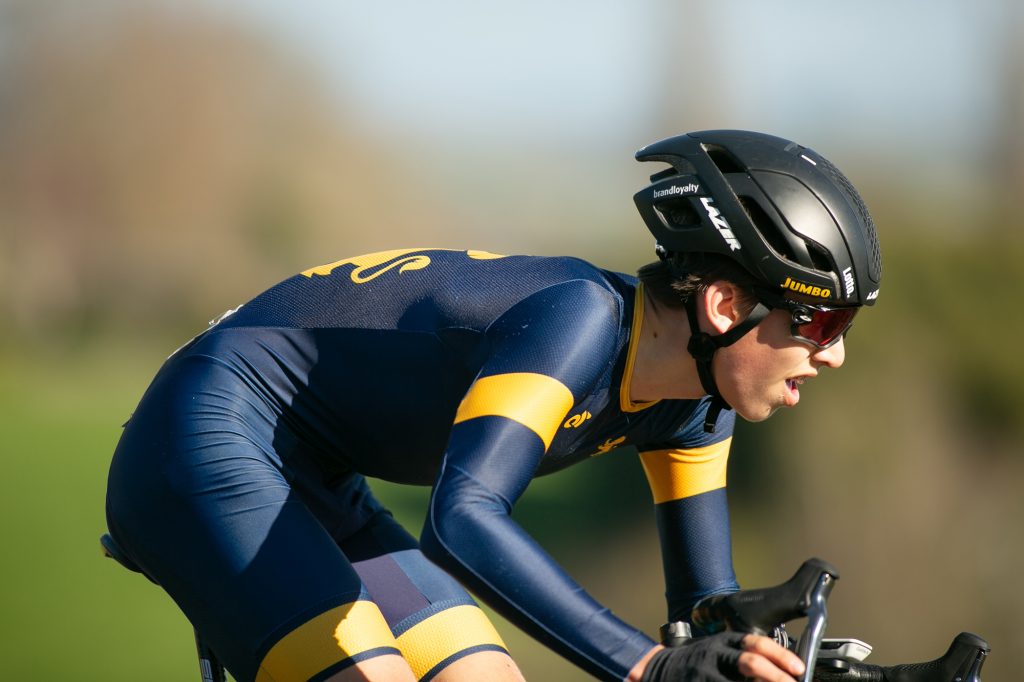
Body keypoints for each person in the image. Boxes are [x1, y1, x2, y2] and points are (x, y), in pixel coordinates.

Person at [104, 129, 881, 682]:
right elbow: (462, 520)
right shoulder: (578, 322)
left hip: (315, 476)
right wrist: (648, 668)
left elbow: (696, 616)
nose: (835, 354)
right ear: (722, 305)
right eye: (820, 323)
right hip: (202, 431)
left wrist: (746, 649)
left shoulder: (696, 405)